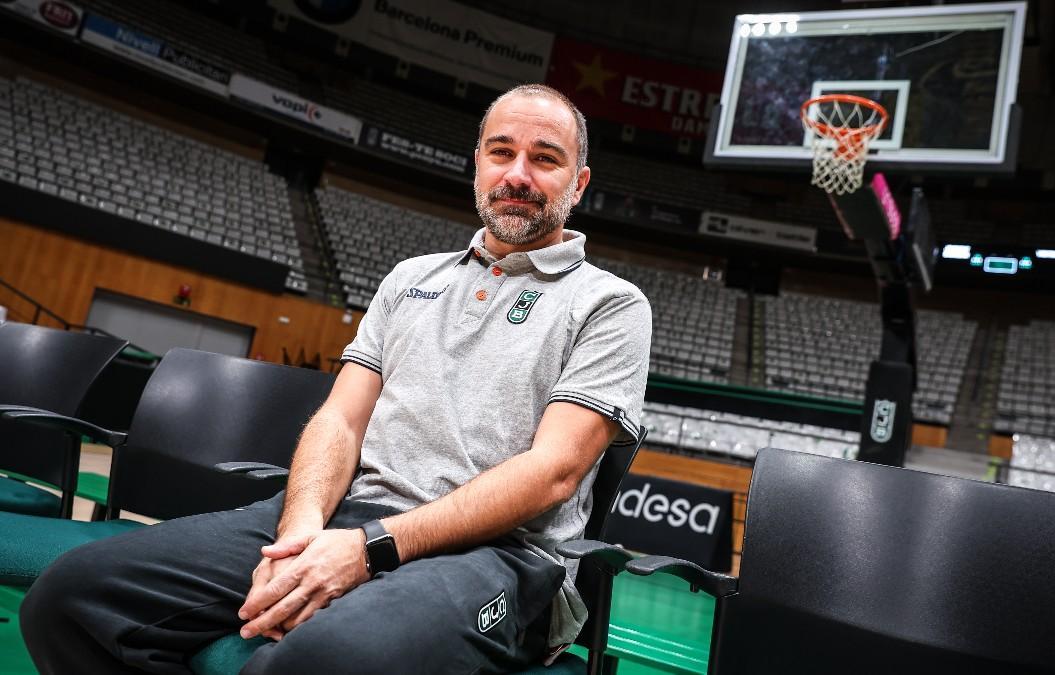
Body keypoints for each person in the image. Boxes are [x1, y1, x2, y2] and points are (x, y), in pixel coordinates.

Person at [21, 84, 652, 674]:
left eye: (545, 158)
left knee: (326, 659)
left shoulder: (611, 304)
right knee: (69, 599)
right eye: (501, 152)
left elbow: (555, 473)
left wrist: (369, 549)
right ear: (478, 163)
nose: (518, 175)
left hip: (503, 557)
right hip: (343, 518)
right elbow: (339, 419)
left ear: (580, 182)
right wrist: (300, 532)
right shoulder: (410, 279)